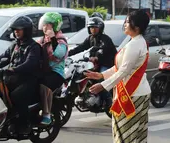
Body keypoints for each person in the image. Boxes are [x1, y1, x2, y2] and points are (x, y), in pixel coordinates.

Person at [84, 10, 151, 143]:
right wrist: (101, 75)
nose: (125, 24)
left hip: (133, 94)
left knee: (126, 135)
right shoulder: (136, 41)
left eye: (128, 22)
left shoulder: (134, 45)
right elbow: (120, 68)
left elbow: (124, 71)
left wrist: (102, 85)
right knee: (135, 135)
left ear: (137, 27)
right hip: (137, 92)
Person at [0, 16, 41, 134]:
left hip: (28, 80)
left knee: (16, 97)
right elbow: (2, 57)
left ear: (27, 30)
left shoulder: (34, 47)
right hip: (13, 79)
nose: (16, 32)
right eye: (15, 30)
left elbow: (30, 63)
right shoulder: (15, 45)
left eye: (19, 29)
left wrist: (14, 69)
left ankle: (23, 124)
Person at [68, 17, 117, 109]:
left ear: (100, 28)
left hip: (107, 64)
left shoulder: (105, 39)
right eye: (91, 28)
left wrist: (96, 57)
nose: (93, 29)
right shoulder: (90, 38)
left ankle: (109, 102)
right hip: (96, 64)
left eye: (95, 27)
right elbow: (80, 47)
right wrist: (68, 53)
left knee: (101, 80)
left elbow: (103, 49)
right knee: (82, 74)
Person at [37, 12, 68, 125]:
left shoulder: (60, 40)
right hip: (44, 71)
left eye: (48, 25)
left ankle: (47, 114)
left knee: (44, 85)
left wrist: (53, 38)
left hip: (56, 73)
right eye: (44, 24)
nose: (44, 27)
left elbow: (58, 54)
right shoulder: (42, 40)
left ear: (54, 26)